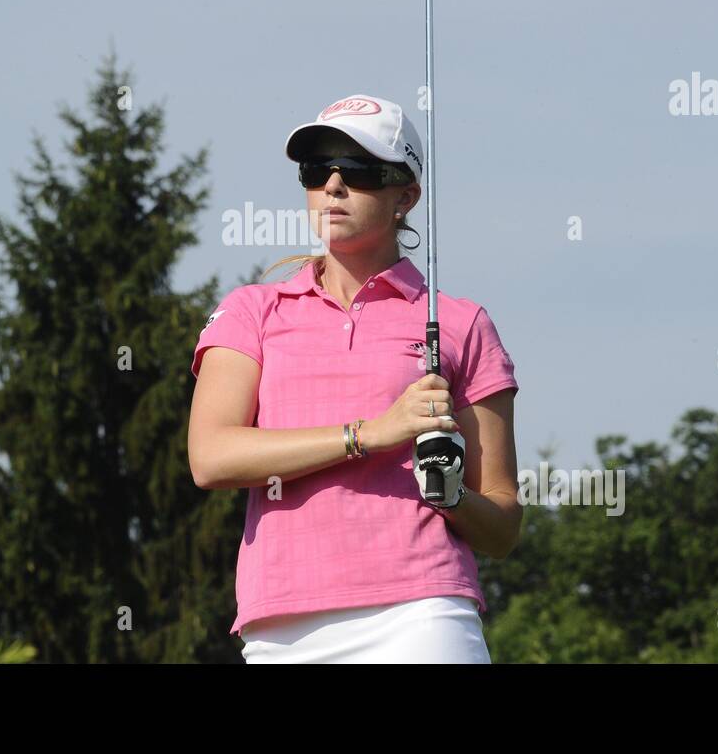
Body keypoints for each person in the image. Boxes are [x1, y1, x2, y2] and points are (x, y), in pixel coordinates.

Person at [188, 93, 521, 663]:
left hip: (422, 614)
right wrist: (369, 434)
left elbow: (503, 525)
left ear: (405, 196)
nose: (334, 186)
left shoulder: (462, 322)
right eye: (318, 171)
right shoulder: (252, 311)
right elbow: (212, 458)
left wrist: (454, 496)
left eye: (359, 171)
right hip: (283, 629)